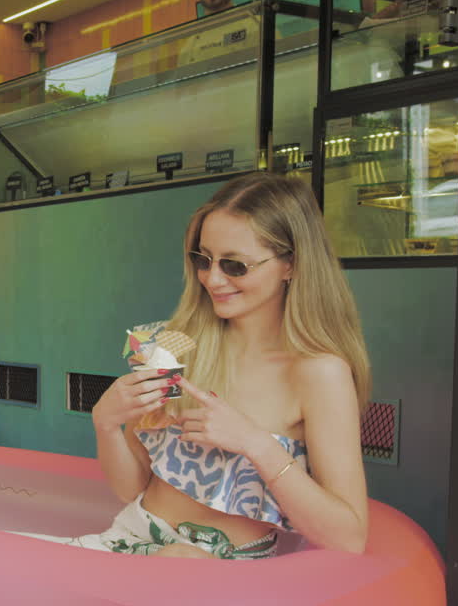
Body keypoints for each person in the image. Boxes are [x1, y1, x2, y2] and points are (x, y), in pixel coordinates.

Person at [41, 172, 371, 559]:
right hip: (130, 541)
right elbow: (133, 489)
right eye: (203, 259)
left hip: (220, 579)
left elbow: (349, 538)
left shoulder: (319, 373)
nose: (212, 279)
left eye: (235, 265)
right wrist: (106, 423)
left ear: (291, 265)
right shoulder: (173, 344)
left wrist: (254, 443)